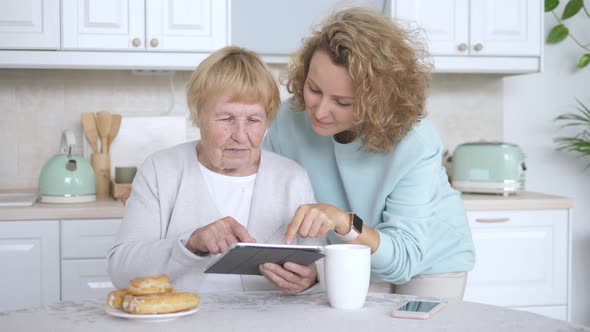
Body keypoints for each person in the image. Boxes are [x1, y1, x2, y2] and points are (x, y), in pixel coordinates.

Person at [263, 8, 475, 300]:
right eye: (313, 89)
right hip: (340, 254)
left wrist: (343, 222)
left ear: (378, 101)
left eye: (343, 102)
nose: (321, 110)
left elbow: (402, 260)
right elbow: (269, 208)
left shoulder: (415, 140)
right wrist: (307, 266)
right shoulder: (287, 120)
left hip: (426, 262)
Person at [107, 46, 323, 295]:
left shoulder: (292, 178)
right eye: (226, 119)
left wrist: (311, 279)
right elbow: (120, 271)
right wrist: (190, 244)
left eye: (254, 120)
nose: (241, 135)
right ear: (198, 115)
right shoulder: (160, 170)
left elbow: (316, 271)